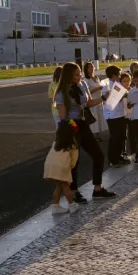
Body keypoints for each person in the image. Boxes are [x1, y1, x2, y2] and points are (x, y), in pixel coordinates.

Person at [54, 62, 116, 202]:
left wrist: (103, 98)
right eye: (76, 74)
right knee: (75, 160)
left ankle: (97, 188)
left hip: (83, 123)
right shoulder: (61, 92)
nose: (80, 76)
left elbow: (88, 103)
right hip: (71, 126)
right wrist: (72, 130)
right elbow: (63, 118)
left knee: (98, 155)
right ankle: (74, 191)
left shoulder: (82, 84)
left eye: (80, 73)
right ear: (69, 75)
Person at [44, 120, 79, 214]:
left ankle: (55, 206)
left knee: (59, 185)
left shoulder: (55, 143)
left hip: (49, 166)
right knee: (66, 186)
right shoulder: (72, 146)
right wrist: (71, 167)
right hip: (61, 168)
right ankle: (72, 205)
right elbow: (73, 161)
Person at [82, 62, 104, 134]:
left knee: (99, 117)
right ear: (86, 69)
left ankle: (97, 134)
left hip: (99, 99)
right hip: (92, 100)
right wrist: (98, 88)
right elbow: (87, 92)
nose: (91, 68)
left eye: (92, 66)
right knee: (94, 117)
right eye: (89, 67)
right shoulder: (86, 80)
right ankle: (93, 134)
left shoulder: (96, 77)